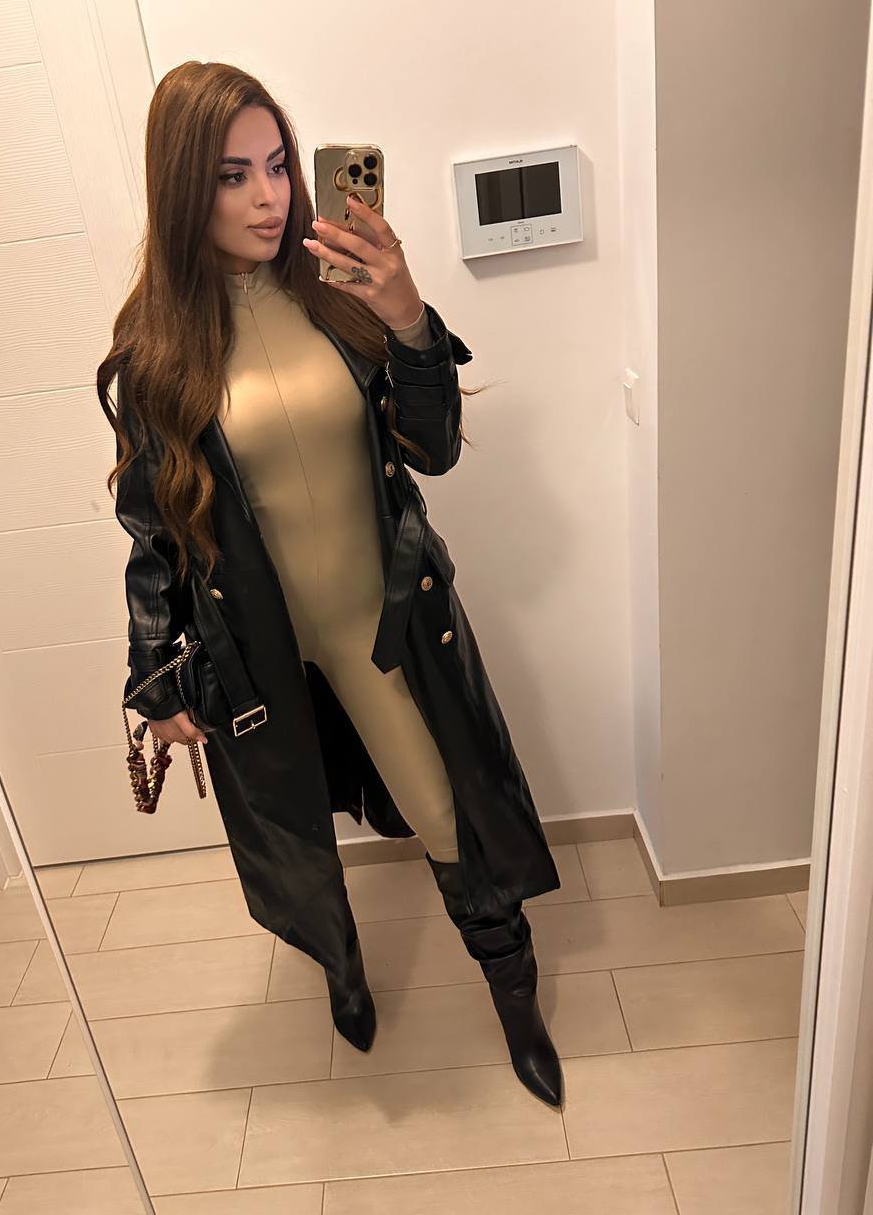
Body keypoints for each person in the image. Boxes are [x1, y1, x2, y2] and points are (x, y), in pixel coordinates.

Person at [98, 61, 564, 1109]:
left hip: (376, 622)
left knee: (446, 809)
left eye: (278, 165)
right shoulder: (155, 359)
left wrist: (408, 320)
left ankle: (514, 994)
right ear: (182, 187)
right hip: (253, 644)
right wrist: (154, 678)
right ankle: (343, 976)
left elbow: (432, 450)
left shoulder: (341, 300)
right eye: (233, 176)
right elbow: (152, 534)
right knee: (295, 833)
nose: (270, 198)